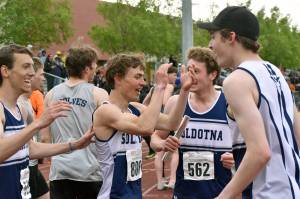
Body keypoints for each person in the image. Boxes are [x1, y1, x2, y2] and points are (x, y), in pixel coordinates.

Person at [198, 6, 300, 198]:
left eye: (213, 36)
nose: (210, 45)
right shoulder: (277, 74)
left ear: (231, 37)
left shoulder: (237, 80)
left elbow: (260, 153)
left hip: (266, 193)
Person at [93, 53, 195, 199]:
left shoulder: (136, 108)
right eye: (137, 77)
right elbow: (145, 128)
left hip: (134, 194)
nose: (142, 82)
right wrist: (159, 87)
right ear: (118, 78)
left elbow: (172, 123)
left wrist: (185, 91)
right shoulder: (106, 111)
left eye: (143, 77)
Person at [0, 44, 95, 199]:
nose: (32, 73)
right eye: (26, 67)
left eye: (32, 67)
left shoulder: (19, 109)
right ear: (5, 71)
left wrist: (74, 145)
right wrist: (38, 123)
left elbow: (29, 149)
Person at [151, 47, 234, 199]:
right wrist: (163, 144)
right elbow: (154, 139)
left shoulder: (229, 105)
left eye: (196, 71)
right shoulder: (175, 102)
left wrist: (234, 159)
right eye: (188, 71)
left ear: (213, 74)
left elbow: (249, 148)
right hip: (184, 194)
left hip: (220, 193)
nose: (190, 76)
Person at [41, 46, 109, 199]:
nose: (95, 69)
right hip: (90, 171)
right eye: (94, 65)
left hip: (60, 171)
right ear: (86, 68)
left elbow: (45, 139)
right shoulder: (98, 94)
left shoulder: (51, 94)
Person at [18, 57, 49, 199]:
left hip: (32, 164)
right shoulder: (20, 104)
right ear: (31, 75)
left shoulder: (27, 101)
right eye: (41, 74)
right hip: (24, 167)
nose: (44, 78)